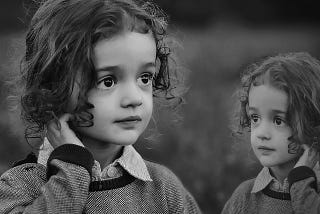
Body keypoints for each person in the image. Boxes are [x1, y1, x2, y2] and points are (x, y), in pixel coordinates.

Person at [0, 0, 201, 213]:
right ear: (53, 86)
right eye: (108, 81)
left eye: (144, 77)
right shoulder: (21, 188)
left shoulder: (165, 190)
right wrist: (72, 166)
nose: (134, 98)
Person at [222, 52, 320, 214]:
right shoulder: (243, 198)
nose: (262, 133)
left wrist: (301, 182)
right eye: (255, 118)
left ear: (312, 120)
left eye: (278, 121)